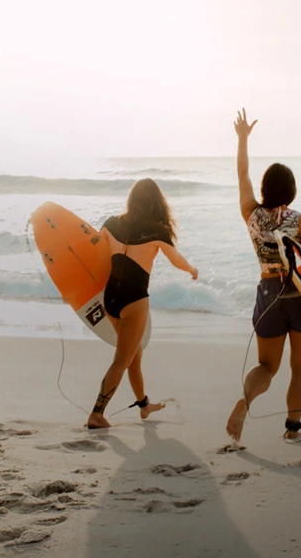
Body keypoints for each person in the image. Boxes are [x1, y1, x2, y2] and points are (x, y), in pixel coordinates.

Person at [226, 109, 301, 441]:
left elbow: (242, 175)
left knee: (267, 367)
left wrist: (242, 139)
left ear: (264, 189)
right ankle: (293, 430)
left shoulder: (251, 214)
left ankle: (245, 402)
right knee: (300, 368)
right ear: (292, 191)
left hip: (268, 297)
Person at [87, 178, 198, 429]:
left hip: (111, 299)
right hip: (134, 300)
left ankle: (144, 405)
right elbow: (176, 259)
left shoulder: (111, 223)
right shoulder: (157, 230)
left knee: (134, 354)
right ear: (157, 202)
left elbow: (92, 251)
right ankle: (97, 413)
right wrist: (193, 270)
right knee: (122, 359)